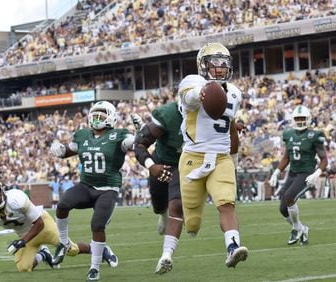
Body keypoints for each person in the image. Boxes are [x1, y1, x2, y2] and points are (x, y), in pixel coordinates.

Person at [177, 42, 248, 268]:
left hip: (220, 157)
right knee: (193, 224)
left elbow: (230, 125)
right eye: (213, 63)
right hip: (193, 157)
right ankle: (188, 225)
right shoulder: (192, 82)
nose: (218, 68)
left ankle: (233, 247)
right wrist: (203, 93)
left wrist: (234, 154)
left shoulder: (235, 93)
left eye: (223, 64)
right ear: (202, 65)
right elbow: (188, 97)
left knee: (226, 203)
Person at [50, 101, 131, 280]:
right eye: (94, 113)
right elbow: (68, 151)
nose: (96, 117)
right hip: (86, 186)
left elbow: (132, 144)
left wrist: (139, 134)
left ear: (111, 116)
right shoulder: (83, 135)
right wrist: (59, 149)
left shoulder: (118, 135)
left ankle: (94, 268)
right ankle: (64, 243)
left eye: (101, 114)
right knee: (62, 204)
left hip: (108, 189)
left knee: (97, 225)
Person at [133, 101, 184, 274]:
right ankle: (162, 214)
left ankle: (166, 255)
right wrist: (151, 165)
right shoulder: (168, 114)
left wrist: (231, 124)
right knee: (158, 204)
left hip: (185, 164)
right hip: (161, 161)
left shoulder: (207, 113)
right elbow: (139, 144)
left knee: (177, 205)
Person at [0, 179, 55, 274]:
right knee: (23, 268)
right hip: (23, 233)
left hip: (40, 224)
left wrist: (23, 241)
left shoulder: (16, 198)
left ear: (2, 191)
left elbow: (39, 222)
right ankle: (43, 254)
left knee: (71, 250)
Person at [269, 105, 327, 245]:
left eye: (303, 119)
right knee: (283, 209)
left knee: (289, 198)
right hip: (293, 173)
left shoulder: (314, 136)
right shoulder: (289, 134)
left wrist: (317, 173)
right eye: (298, 119)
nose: (300, 121)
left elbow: (324, 159)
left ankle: (296, 228)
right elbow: (286, 157)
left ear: (308, 119)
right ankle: (303, 229)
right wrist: (277, 172)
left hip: (306, 173)